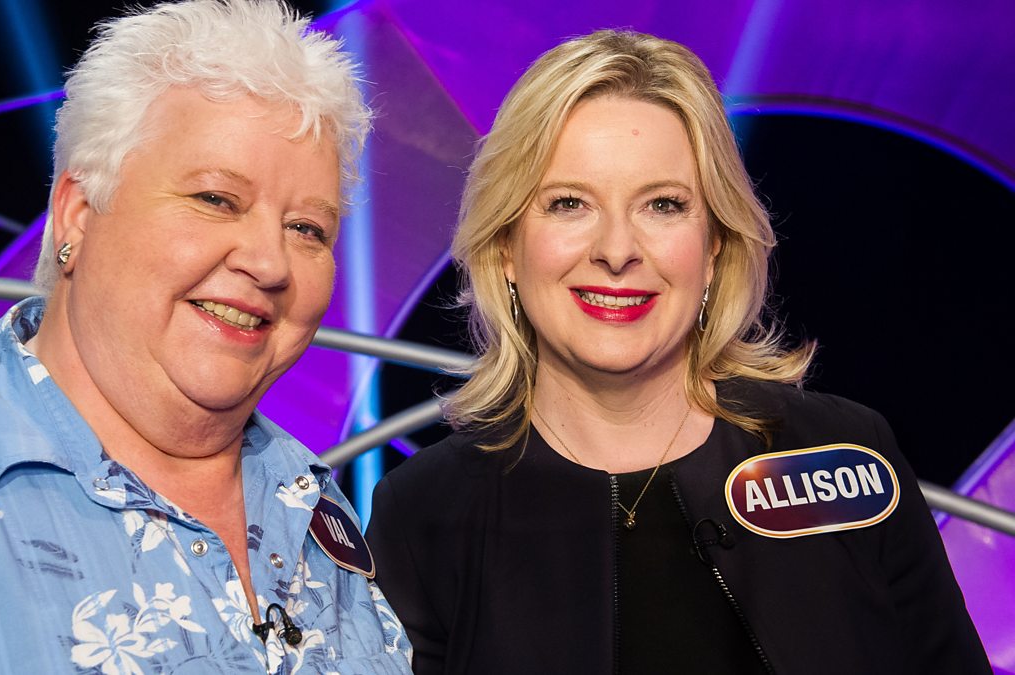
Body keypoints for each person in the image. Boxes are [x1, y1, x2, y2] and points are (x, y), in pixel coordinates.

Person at [366, 29, 990, 674]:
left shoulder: (845, 453)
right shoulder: (422, 513)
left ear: (714, 244)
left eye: (662, 205)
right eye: (569, 204)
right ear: (505, 248)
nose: (617, 250)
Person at [0, 1, 412, 672]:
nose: (270, 263)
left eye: (307, 229)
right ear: (76, 213)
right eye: (216, 199)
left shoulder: (316, 507)